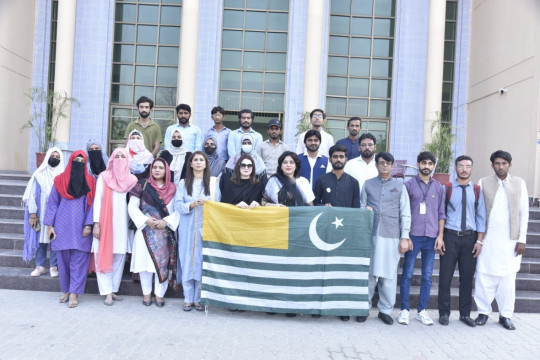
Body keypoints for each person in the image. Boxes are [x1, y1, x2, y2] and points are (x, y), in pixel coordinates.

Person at [474, 150, 529, 330]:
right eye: (497, 163)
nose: (501, 167)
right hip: (488, 239)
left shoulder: (519, 183)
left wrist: (522, 240)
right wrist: (479, 239)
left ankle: (505, 315)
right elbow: (478, 210)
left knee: (507, 279)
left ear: (509, 165)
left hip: (510, 240)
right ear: (492, 165)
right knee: (484, 275)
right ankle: (483, 312)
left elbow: (524, 214)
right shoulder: (483, 182)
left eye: (504, 164)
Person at [360, 152, 411, 325]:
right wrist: (364, 209)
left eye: (388, 163)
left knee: (388, 276)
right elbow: (361, 206)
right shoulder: (367, 185)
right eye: (381, 163)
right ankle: (363, 308)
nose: (385, 166)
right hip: (371, 235)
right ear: (376, 165)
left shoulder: (400, 186)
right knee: (369, 274)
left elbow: (405, 213)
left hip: (391, 235)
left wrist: (405, 237)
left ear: (392, 165)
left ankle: (385, 310)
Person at [263, 151, 314, 317]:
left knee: (294, 267)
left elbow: (310, 206)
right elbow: (263, 201)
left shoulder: (303, 182)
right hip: (277, 228)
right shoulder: (274, 181)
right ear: (280, 165)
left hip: (298, 230)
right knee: (276, 266)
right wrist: (274, 207)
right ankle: (273, 303)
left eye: (291, 162)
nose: (288, 165)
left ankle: (292, 304)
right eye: (285, 162)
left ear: (296, 165)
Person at [437, 155, 486, 327]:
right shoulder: (447, 188)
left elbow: (481, 217)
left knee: (466, 278)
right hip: (450, 237)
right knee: (445, 278)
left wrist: (479, 241)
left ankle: (465, 314)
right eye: (461, 166)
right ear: (455, 168)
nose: (464, 169)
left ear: (472, 169)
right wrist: (441, 236)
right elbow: (441, 214)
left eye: (468, 166)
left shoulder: (477, 190)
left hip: (470, 239)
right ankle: (443, 313)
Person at [313, 144, 360, 321]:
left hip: (345, 234)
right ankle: (319, 307)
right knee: (322, 269)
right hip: (324, 233)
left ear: (346, 159)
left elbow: (356, 210)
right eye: (335, 157)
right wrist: (322, 206)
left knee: (343, 271)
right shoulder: (321, 180)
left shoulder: (354, 183)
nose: (338, 159)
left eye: (341, 156)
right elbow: (314, 204)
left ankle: (343, 307)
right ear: (330, 159)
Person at [44, 151, 96, 308]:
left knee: (79, 262)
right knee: (63, 261)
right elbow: (52, 203)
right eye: (76, 160)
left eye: (82, 160)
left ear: (85, 163)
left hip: (82, 228)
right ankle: (66, 290)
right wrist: (50, 226)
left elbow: (93, 205)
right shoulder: (60, 180)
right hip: (62, 227)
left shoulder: (91, 181)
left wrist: (88, 225)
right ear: (71, 162)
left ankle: (74, 293)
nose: (79, 162)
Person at [398, 151, 445, 326]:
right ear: (418, 164)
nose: (426, 166)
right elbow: (403, 212)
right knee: (408, 274)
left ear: (433, 166)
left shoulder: (438, 187)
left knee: (427, 275)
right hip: (413, 236)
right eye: (423, 163)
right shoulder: (408, 185)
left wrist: (440, 236)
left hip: (431, 237)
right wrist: (405, 235)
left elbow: (441, 213)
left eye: (430, 164)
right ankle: (404, 310)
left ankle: (422, 310)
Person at [128, 158, 179, 307]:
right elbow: (132, 207)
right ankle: (146, 293)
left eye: (161, 168)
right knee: (145, 264)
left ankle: (159, 294)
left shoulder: (173, 189)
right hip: (145, 230)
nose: (157, 170)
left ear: (166, 171)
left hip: (164, 232)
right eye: (154, 167)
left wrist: (167, 222)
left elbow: (178, 210)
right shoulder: (142, 185)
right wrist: (145, 220)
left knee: (161, 264)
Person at [175, 151, 221, 312]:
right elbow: (178, 205)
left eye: (202, 160)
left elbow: (219, 205)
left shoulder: (213, 183)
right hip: (187, 228)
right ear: (191, 163)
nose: (199, 162)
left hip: (205, 228)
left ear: (206, 164)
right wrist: (192, 205)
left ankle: (200, 299)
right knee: (187, 260)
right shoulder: (183, 183)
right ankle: (188, 298)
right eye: (196, 160)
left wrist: (207, 204)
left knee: (202, 262)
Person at [92, 147, 137, 306]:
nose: (119, 159)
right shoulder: (103, 177)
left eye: (122, 156)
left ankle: (113, 289)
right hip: (105, 223)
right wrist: (96, 223)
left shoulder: (132, 180)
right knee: (103, 255)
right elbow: (98, 200)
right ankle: (106, 292)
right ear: (111, 159)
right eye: (116, 156)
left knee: (119, 256)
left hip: (123, 224)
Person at [22, 147, 65, 277]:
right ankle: (40, 266)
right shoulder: (39, 174)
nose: (55, 159)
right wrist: (33, 214)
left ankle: (53, 266)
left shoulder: (63, 175)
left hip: (57, 213)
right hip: (40, 213)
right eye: (53, 156)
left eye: (58, 157)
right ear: (47, 157)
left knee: (54, 238)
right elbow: (32, 195)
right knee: (40, 238)